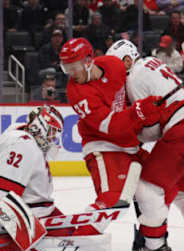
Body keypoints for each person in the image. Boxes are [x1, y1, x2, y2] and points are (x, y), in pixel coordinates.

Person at [106, 39, 184, 251]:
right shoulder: (152, 63)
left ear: (128, 60)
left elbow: (152, 125)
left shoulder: (133, 78)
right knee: (183, 190)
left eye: (115, 65)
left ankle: (155, 246)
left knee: (146, 187)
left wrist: (135, 135)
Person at [0, 105, 113, 251]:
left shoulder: (24, 136)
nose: (53, 138)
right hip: (20, 210)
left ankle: (10, 247)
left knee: (78, 240)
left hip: (34, 208)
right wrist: (14, 229)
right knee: (77, 246)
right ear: (39, 126)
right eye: (51, 132)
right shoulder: (22, 144)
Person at [59, 37, 147, 215]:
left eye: (74, 67)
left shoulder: (114, 65)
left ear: (89, 61)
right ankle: (81, 232)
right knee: (111, 203)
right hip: (102, 146)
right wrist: (143, 115)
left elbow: (133, 89)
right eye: (67, 69)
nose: (72, 74)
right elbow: (111, 126)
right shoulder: (76, 92)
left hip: (127, 141)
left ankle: (149, 241)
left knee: (153, 190)